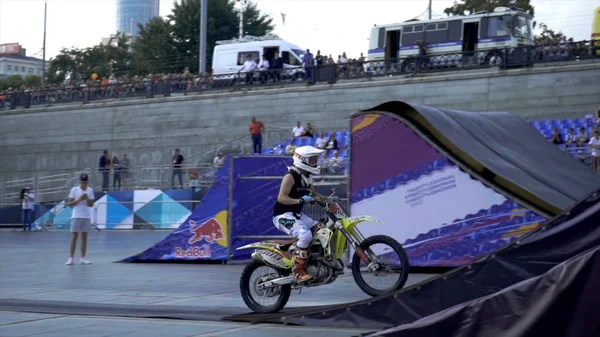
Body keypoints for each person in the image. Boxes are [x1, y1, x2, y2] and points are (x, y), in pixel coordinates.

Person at [272, 146, 328, 282]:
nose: (315, 163)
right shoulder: (290, 176)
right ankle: (297, 271)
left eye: (315, 160)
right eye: (312, 160)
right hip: (282, 216)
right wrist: (300, 200)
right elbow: (281, 198)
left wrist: (329, 200)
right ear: (302, 160)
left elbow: (314, 195)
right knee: (305, 234)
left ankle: (312, 261)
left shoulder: (307, 177)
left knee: (322, 230)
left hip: (296, 214)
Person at [66, 174, 95, 265]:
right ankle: (71, 258)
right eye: (82, 182)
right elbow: (70, 203)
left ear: (87, 182)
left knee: (84, 237)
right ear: (80, 181)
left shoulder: (90, 190)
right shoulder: (74, 190)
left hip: (86, 216)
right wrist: (78, 199)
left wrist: (87, 199)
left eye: (85, 182)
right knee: (74, 237)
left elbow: (91, 204)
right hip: (76, 216)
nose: (84, 183)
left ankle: (83, 257)